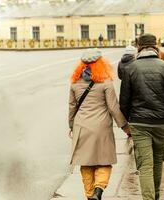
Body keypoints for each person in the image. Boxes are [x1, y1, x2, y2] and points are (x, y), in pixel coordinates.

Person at [119, 33, 164, 200]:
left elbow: (124, 101)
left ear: (139, 47)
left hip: (139, 123)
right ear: (156, 47)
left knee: (145, 164)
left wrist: (129, 120)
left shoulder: (130, 68)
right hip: (162, 122)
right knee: (157, 162)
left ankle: (150, 198)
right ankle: (155, 195)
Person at [68, 48, 130, 200]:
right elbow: (113, 107)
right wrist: (124, 126)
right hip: (101, 127)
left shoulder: (75, 83)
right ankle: (98, 190)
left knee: (86, 163)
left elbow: (72, 107)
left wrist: (71, 126)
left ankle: (89, 195)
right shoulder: (105, 82)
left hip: (81, 126)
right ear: (101, 64)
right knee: (104, 161)